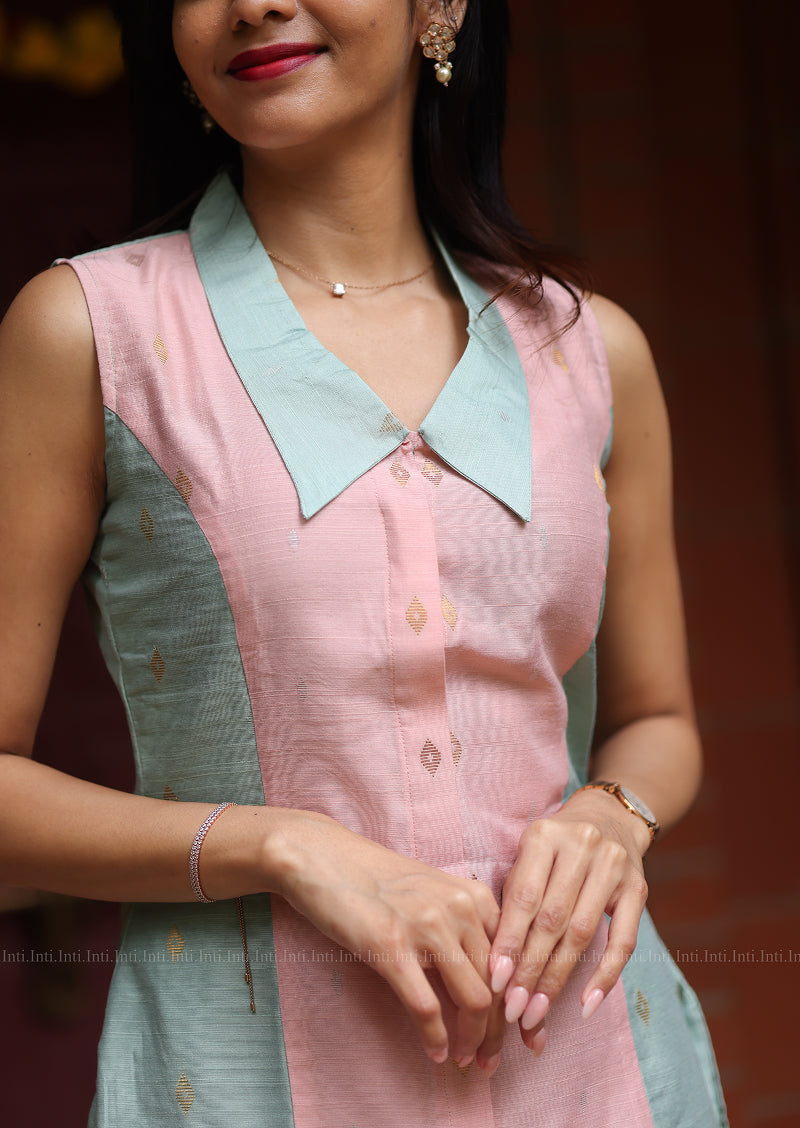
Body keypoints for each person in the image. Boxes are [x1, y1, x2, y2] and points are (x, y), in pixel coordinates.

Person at [0, 0, 728, 1124]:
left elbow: (657, 720)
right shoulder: (88, 333)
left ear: (438, 6)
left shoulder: (588, 350)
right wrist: (283, 845)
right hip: (243, 1083)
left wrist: (609, 817)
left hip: (600, 1073)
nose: (253, 3)